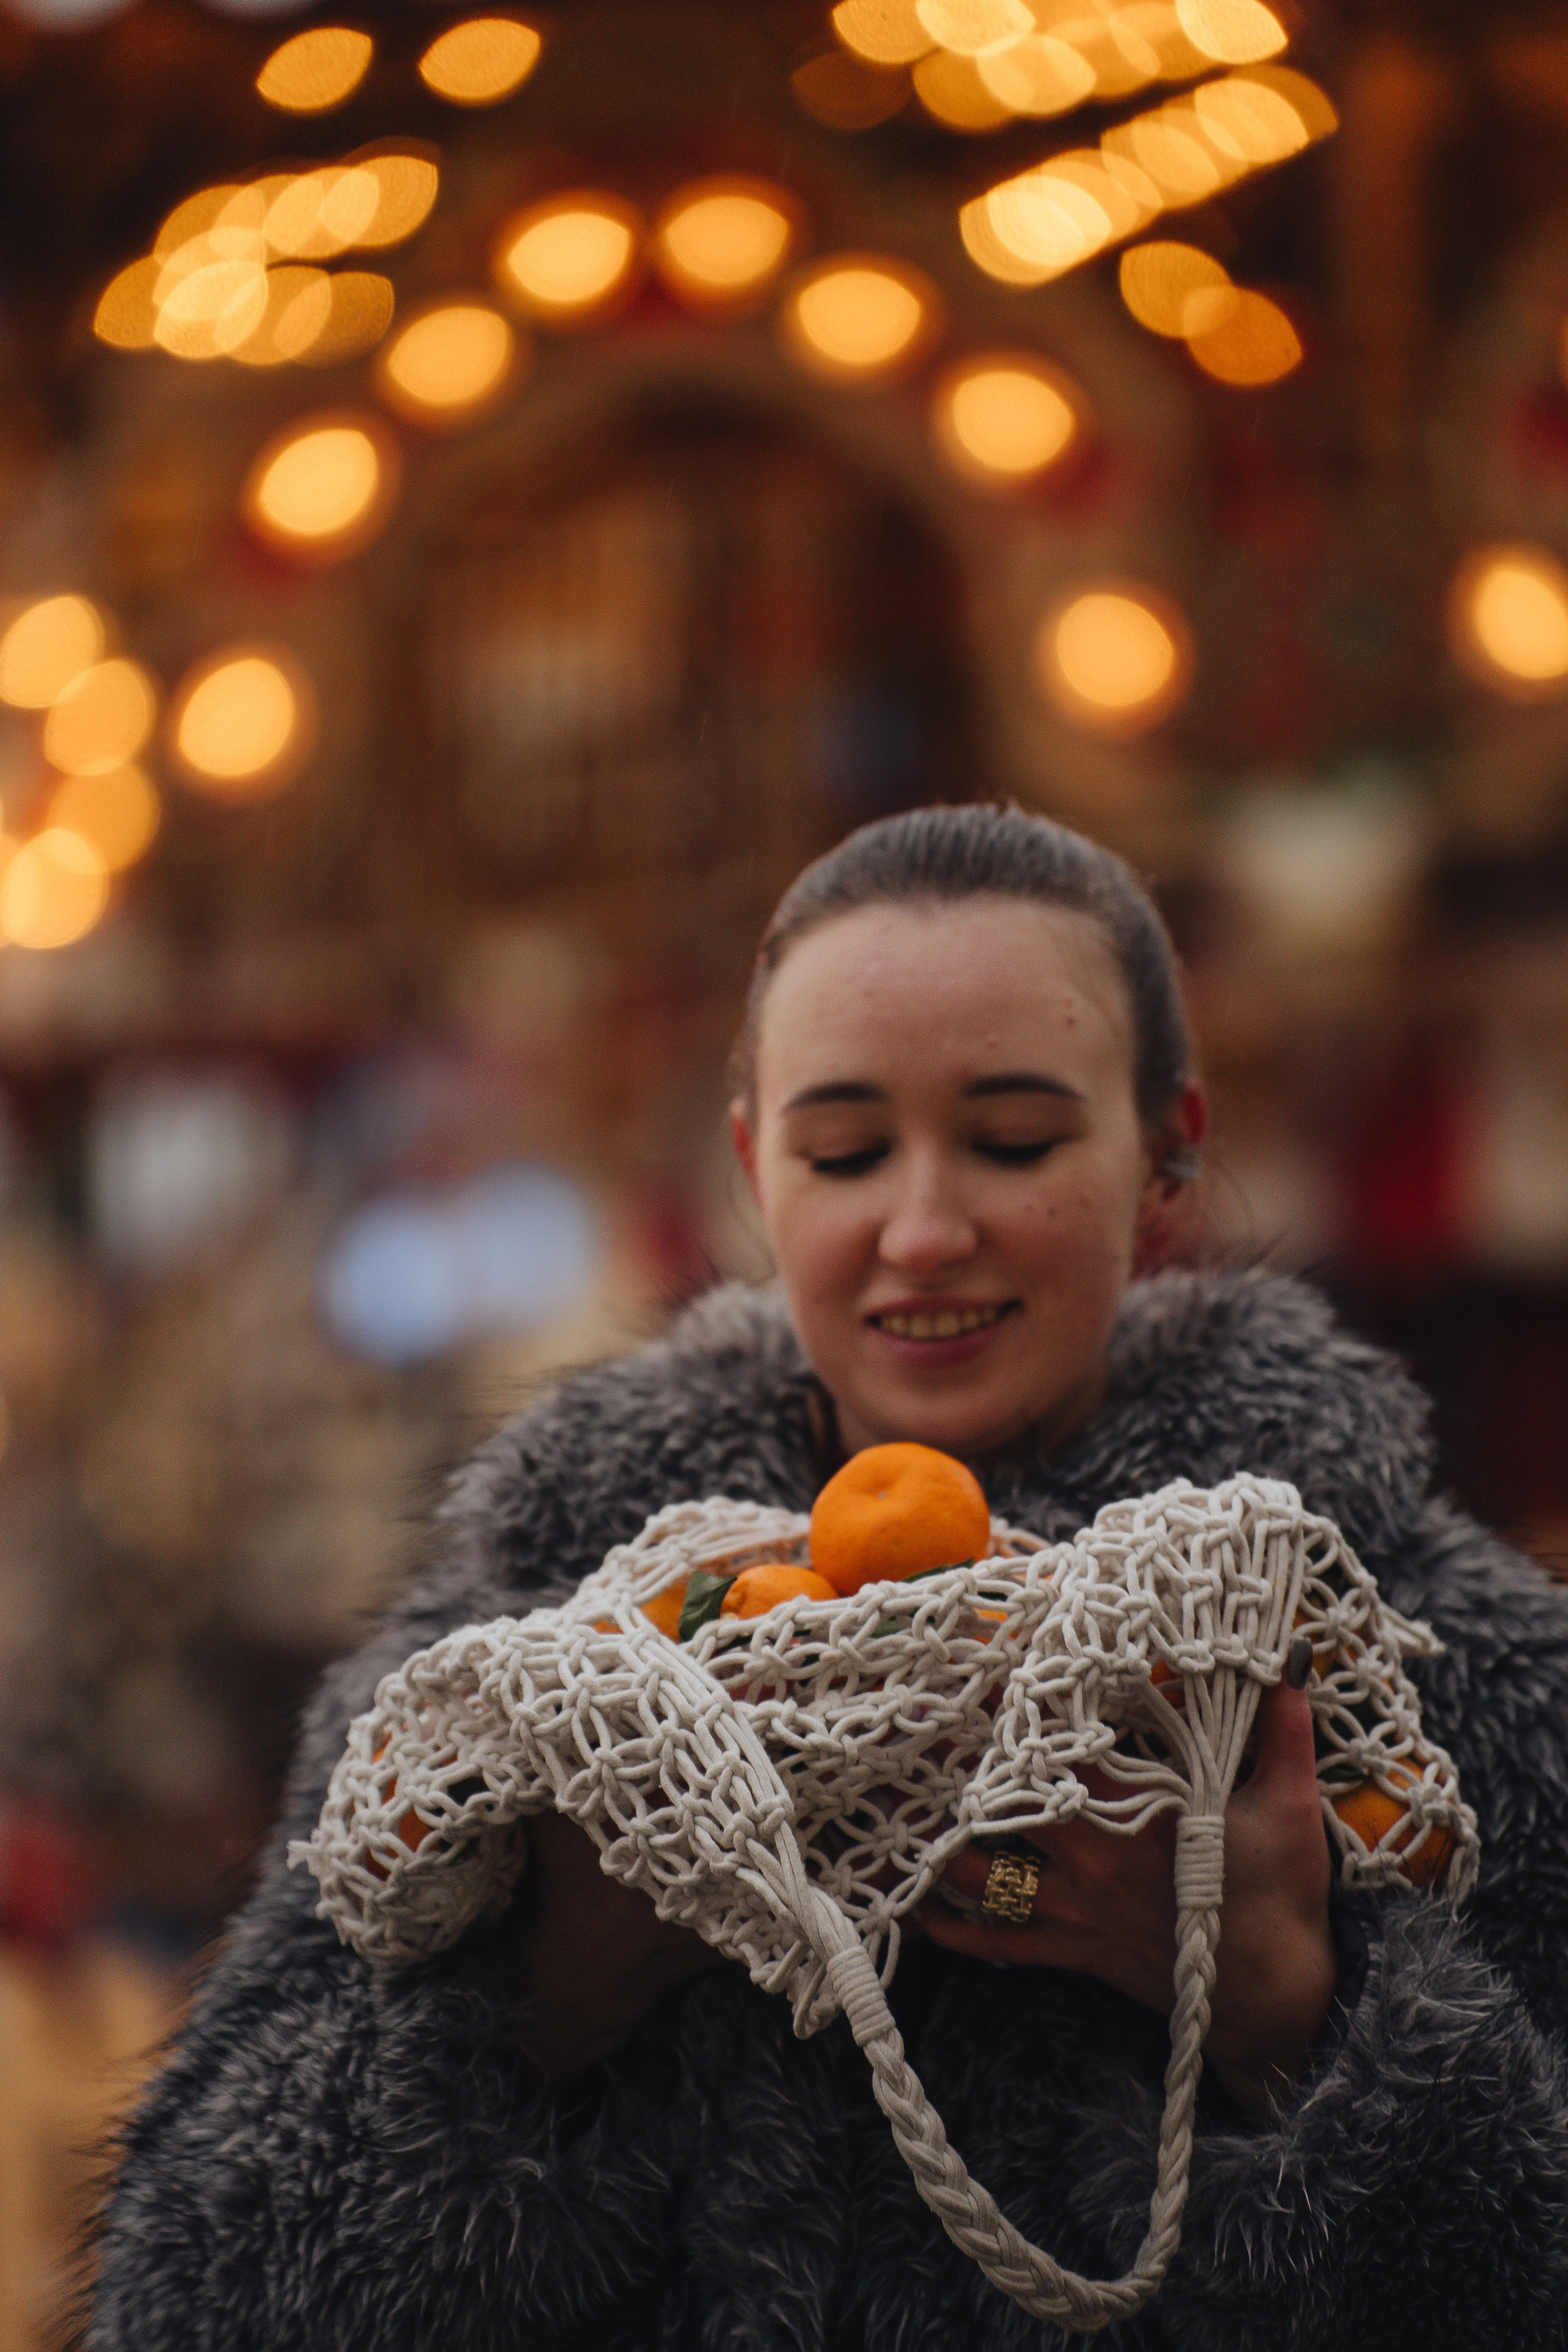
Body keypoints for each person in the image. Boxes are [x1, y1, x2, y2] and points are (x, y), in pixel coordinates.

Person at [89, 805, 1568, 2351]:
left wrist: (1289, 2023)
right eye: (845, 1150)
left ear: (1162, 1155)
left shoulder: (1430, 1673)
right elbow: (192, 2294)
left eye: (1013, 1140)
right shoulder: (528, 1670)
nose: (922, 1230)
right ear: (750, 1165)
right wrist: (552, 1995)